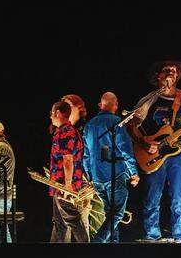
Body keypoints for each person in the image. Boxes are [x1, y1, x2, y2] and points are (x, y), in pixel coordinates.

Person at [132, 60, 181, 242]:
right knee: (152, 197)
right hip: (154, 154)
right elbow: (132, 126)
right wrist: (143, 143)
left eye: (174, 71)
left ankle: (179, 237)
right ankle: (152, 237)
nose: (171, 73)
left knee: (179, 197)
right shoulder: (149, 99)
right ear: (158, 76)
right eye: (167, 70)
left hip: (179, 153)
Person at [82, 92, 140, 243]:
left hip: (97, 177)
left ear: (101, 105)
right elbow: (125, 149)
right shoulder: (117, 122)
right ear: (116, 105)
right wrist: (134, 173)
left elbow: (86, 155)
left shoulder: (89, 125)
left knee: (110, 215)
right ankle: (98, 242)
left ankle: (113, 247)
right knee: (118, 215)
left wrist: (89, 176)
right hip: (115, 175)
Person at [49, 99, 89, 243]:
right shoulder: (65, 131)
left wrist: (67, 184)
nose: (50, 117)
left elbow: (68, 159)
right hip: (60, 183)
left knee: (72, 219)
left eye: (51, 113)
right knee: (59, 223)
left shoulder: (65, 132)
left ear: (58, 113)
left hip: (64, 184)